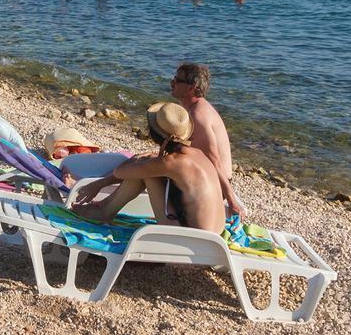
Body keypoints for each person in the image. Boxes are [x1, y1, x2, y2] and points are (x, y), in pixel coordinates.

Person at [71, 102, 224, 232]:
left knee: (146, 173)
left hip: (191, 239)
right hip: (214, 237)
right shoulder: (196, 154)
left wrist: (99, 184)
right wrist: (147, 159)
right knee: (146, 166)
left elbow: (120, 172)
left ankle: (104, 212)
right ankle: (104, 209)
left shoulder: (171, 163)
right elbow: (161, 164)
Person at [170, 62, 242, 216]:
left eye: (177, 80)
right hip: (207, 179)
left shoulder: (198, 115)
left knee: (148, 174)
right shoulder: (194, 109)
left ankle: (167, 219)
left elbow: (214, 160)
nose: (172, 82)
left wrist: (232, 201)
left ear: (192, 87)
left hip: (214, 186)